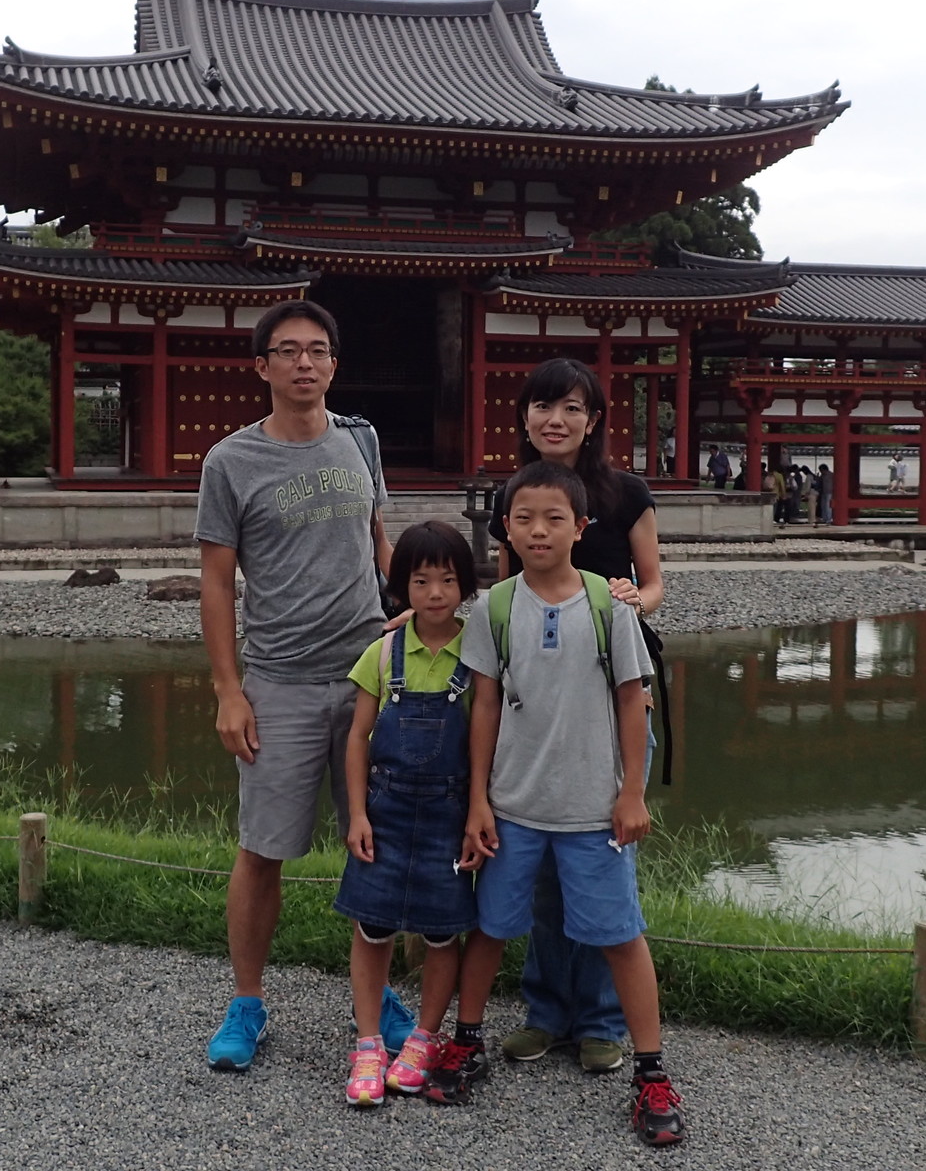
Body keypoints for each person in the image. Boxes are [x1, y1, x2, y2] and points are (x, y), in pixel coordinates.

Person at [428, 461, 685, 1147]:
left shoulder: (609, 606)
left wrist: (630, 792)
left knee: (621, 934)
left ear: (581, 527)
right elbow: (483, 705)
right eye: (523, 518)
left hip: (592, 811)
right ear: (504, 528)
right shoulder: (496, 607)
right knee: (491, 925)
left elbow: (634, 701)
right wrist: (478, 800)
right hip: (514, 806)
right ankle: (468, 1039)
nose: (538, 531)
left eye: (553, 518)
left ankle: (653, 1072)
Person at [197, 299, 401, 1072]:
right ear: (263, 367)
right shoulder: (231, 461)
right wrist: (228, 689)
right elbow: (216, 583)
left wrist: (412, 613)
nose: (305, 363)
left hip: (368, 675)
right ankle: (247, 1001)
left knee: (380, 841)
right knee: (262, 849)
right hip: (278, 678)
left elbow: (377, 539)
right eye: (288, 351)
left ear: (334, 364)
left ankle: (377, 997)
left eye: (318, 350)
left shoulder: (359, 441)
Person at [484, 358, 664, 1079]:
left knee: (601, 861)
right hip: (537, 702)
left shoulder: (625, 492)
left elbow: (655, 584)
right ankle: (545, 1011)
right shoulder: (516, 492)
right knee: (540, 870)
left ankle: (599, 1020)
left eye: (569, 406)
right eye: (540, 406)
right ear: (523, 417)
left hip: (613, 691)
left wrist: (629, 604)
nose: (553, 419)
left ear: (593, 419)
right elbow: (504, 597)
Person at [335, 521, 480, 1107]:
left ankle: (423, 1037)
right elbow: (356, 739)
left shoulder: (480, 650)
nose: (436, 593)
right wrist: (356, 816)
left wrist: (478, 811)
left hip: (451, 810)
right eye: (421, 581)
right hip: (386, 806)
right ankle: (368, 1042)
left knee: (444, 932)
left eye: (448, 580)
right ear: (402, 588)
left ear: (465, 585)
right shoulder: (383, 650)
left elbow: (487, 742)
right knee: (372, 925)